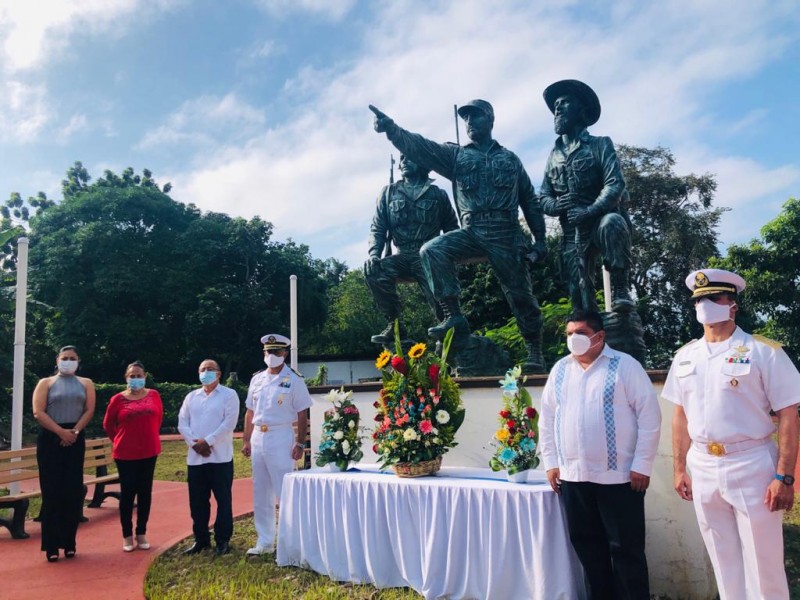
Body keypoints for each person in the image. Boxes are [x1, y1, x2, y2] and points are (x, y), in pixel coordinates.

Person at [370, 100, 548, 372]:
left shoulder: (510, 159)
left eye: (476, 118)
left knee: (520, 294)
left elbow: (530, 201)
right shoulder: (457, 157)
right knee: (432, 250)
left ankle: (534, 351)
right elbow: (420, 146)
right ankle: (453, 316)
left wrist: (540, 240)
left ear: (490, 120)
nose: (470, 123)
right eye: (466, 119)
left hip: (505, 232)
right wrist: (392, 129)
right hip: (473, 230)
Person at [662, 268, 800, 599]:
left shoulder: (765, 351)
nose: (705, 305)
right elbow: (679, 415)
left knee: (762, 561)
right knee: (722, 557)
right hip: (704, 465)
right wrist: (680, 467)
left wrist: (784, 476)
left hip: (752, 464)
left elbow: (789, 414)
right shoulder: (685, 356)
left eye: (713, 298)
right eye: (699, 300)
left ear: (732, 305)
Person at [539, 310, 661, 599]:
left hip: (620, 478)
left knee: (626, 550)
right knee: (588, 549)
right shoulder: (560, 370)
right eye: (569, 334)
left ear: (599, 336)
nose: (573, 339)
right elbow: (547, 418)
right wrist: (552, 462)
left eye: (580, 333)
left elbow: (649, 417)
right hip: (574, 478)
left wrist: (642, 465)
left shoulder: (625, 366)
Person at [539, 79, 633, 312]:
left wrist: (589, 210)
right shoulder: (553, 155)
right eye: (556, 105)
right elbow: (543, 197)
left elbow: (614, 184)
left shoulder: (600, 144)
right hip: (572, 232)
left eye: (565, 102)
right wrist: (558, 204)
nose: (558, 108)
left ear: (582, 111)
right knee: (579, 303)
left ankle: (620, 288)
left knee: (613, 222)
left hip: (600, 220)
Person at [365, 154, 458, 344]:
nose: (405, 161)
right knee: (375, 272)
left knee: (441, 309)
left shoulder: (438, 194)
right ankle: (395, 326)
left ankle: (450, 337)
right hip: (402, 256)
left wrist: (449, 261)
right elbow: (378, 228)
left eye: (411, 156)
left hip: (429, 257)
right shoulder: (389, 193)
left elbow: (452, 229)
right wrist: (374, 254)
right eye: (402, 158)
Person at [242, 334, 311, 555]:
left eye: (276, 352)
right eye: (268, 352)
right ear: (263, 354)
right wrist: (246, 439)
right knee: (260, 490)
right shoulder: (257, 379)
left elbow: (302, 413)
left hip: (281, 435)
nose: (271, 356)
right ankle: (265, 541)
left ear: (284, 354)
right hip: (258, 437)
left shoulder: (294, 379)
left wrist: (300, 443)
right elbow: (250, 411)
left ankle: (289, 541)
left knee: (284, 491)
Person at [31, 345, 96, 562]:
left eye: (72, 358)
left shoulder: (85, 383)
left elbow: (89, 410)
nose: (68, 361)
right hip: (51, 438)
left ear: (78, 361)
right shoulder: (45, 383)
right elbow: (38, 412)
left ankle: (69, 542)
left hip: (75, 437)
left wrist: (74, 432)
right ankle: (51, 546)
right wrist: (60, 432)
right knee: (52, 492)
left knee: (72, 491)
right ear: (57, 360)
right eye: (64, 358)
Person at [177, 359, 240, 556]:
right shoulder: (191, 397)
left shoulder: (229, 395)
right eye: (202, 369)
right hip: (196, 459)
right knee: (197, 502)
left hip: (220, 458)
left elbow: (229, 423)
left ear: (219, 374)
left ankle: (222, 539)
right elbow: (182, 422)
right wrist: (195, 444)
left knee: (223, 501)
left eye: (210, 369)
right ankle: (201, 539)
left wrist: (208, 442)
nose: (206, 372)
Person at [103, 360, 164, 552]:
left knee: (145, 492)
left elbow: (158, 419)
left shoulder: (154, 395)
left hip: (149, 451)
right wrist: (120, 440)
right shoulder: (117, 399)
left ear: (145, 377)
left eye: (139, 375)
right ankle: (127, 535)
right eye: (132, 376)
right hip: (125, 454)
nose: (136, 379)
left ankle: (141, 532)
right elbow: (108, 424)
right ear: (126, 378)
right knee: (128, 494)